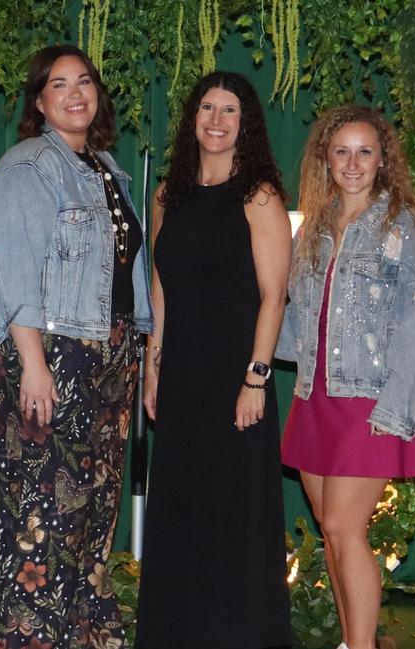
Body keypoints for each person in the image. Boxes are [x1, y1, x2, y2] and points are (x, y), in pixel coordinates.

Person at [0, 44, 151, 649]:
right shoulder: (27, 167)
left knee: (91, 512)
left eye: (84, 82)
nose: (75, 93)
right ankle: (27, 637)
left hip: (107, 359)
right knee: (37, 516)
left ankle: (80, 633)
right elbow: (15, 278)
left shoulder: (105, 167)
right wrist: (34, 367)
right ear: (40, 101)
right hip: (53, 357)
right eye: (58, 84)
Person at [135, 71, 293, 649]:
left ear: (245, 123)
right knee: (180, 510)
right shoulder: (166, 195)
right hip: (180, 376)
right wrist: (154, 366)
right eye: (207, 107)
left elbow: (275, 294)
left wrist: (255, 378)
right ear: (193, 119)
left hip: (236, 374)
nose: (217, 120)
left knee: (235, 515)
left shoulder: (260, 195)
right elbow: (160, 282)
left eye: (230, 111)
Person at [278, 105, 415, 649]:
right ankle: (357, 641)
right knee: (332, 532)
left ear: (382, 160)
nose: (353, 163)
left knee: (347, 531)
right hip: (314, 395)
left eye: (365, 152)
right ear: (326, 158)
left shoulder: (404, 223)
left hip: (367, 401)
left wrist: (397, 410)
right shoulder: (316, 224)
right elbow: (297, 315)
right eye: (342, 151)